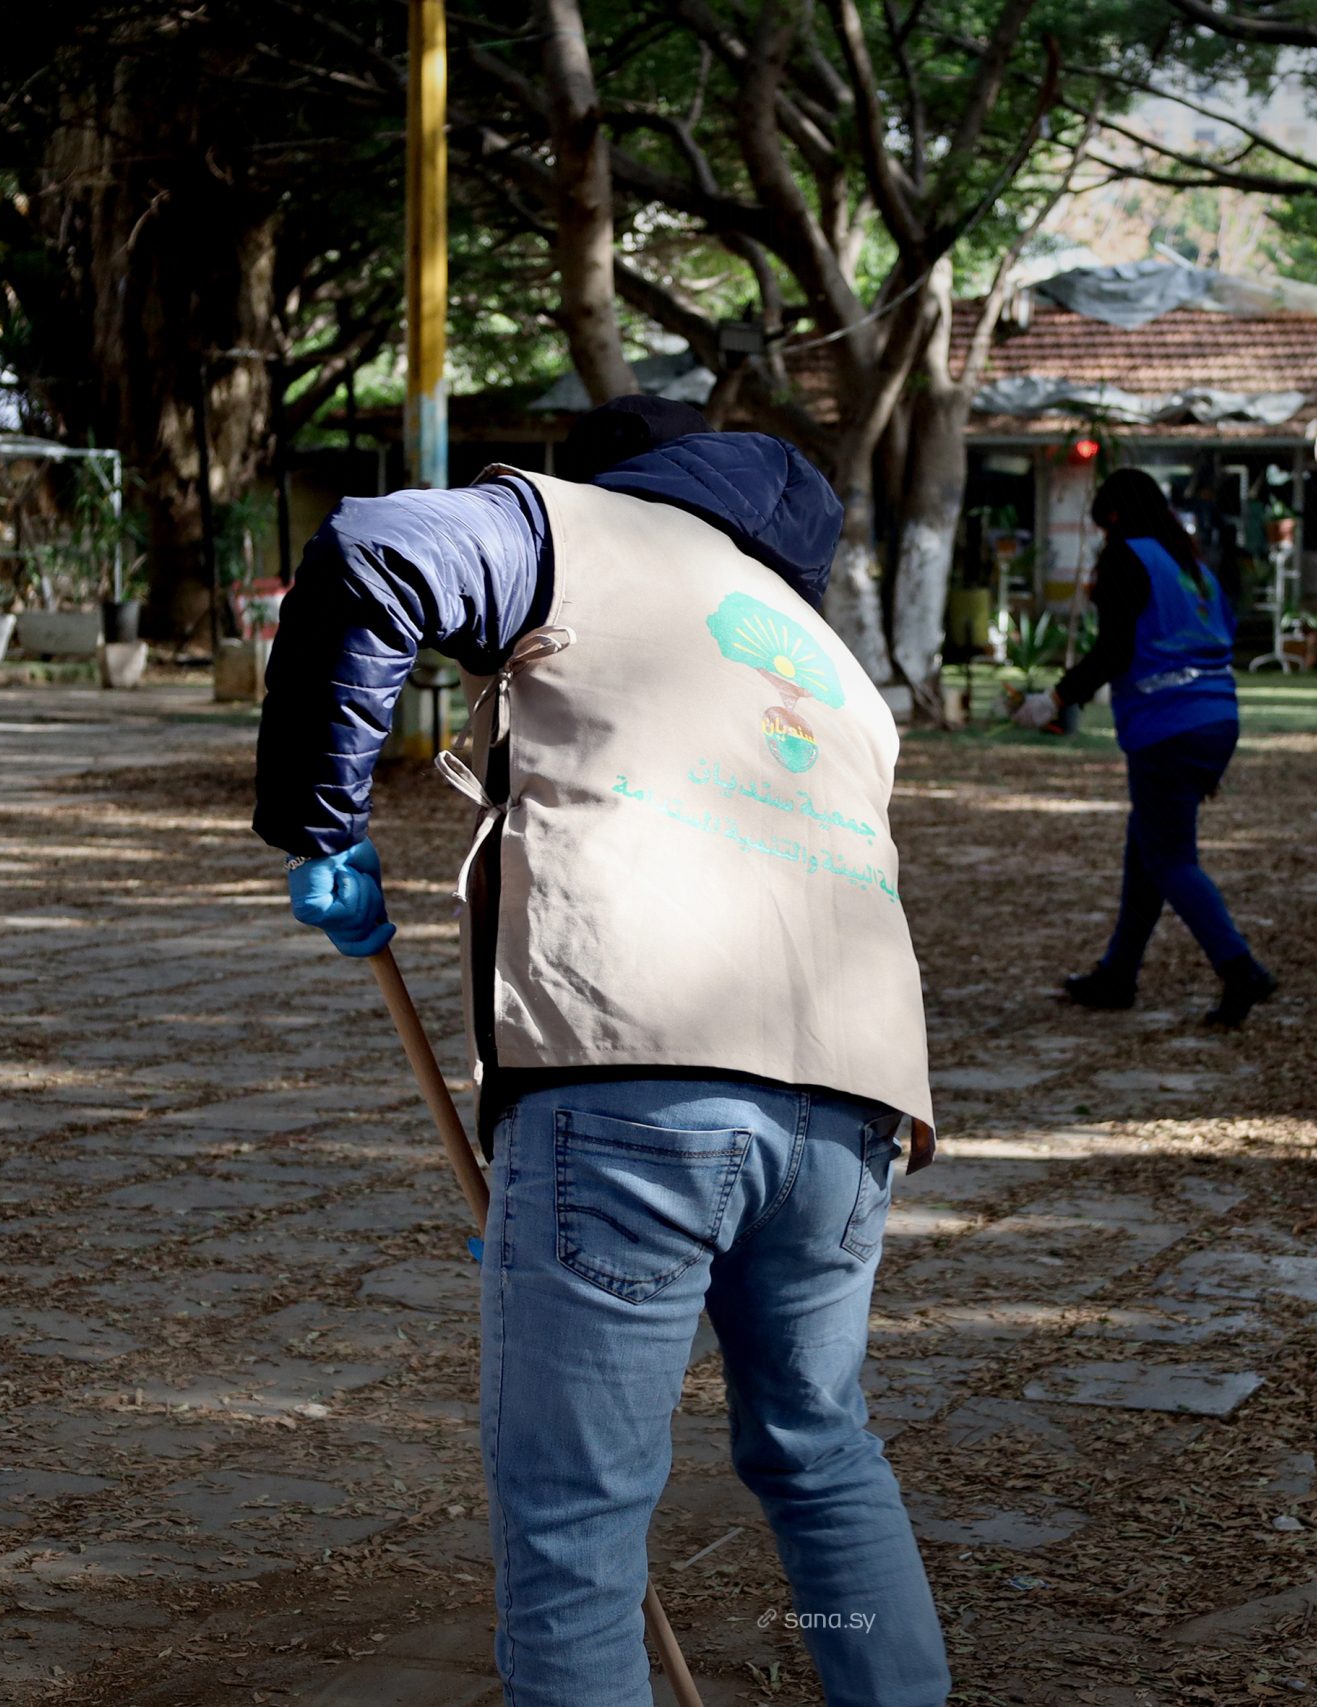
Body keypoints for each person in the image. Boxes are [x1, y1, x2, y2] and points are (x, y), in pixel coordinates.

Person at [254, 397, 949, 1707]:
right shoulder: (827, 658)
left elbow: (378, 551)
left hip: (634, 1087)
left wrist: (322, 819)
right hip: (852, 1109)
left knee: (575, 1518)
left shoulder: (573, 528)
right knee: (819, 1454)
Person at [1015, 466, 1279, 1027]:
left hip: (1168, 722)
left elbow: (1115, 650)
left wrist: (1055, 698)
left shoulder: (1126, 557)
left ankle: (1240, 967)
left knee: (1171, 859)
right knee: (1148, 850)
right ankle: (1118, 974)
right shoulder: (1192, 567)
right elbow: (1218, 637)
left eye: (1102, 525)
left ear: (1113, 516)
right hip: (1216, 718)